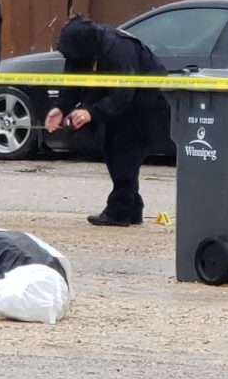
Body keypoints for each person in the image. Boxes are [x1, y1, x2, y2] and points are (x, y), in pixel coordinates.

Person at [46, 15, 167, 226]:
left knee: (125, 154)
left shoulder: (118, 50)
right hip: (119, 102)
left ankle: (119, 211)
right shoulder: (79, 53)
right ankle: (131, 207)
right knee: (113, 152)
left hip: (144, 102)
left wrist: (92, 113)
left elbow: (124, 93)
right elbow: (73, 84)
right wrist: (60, 109)